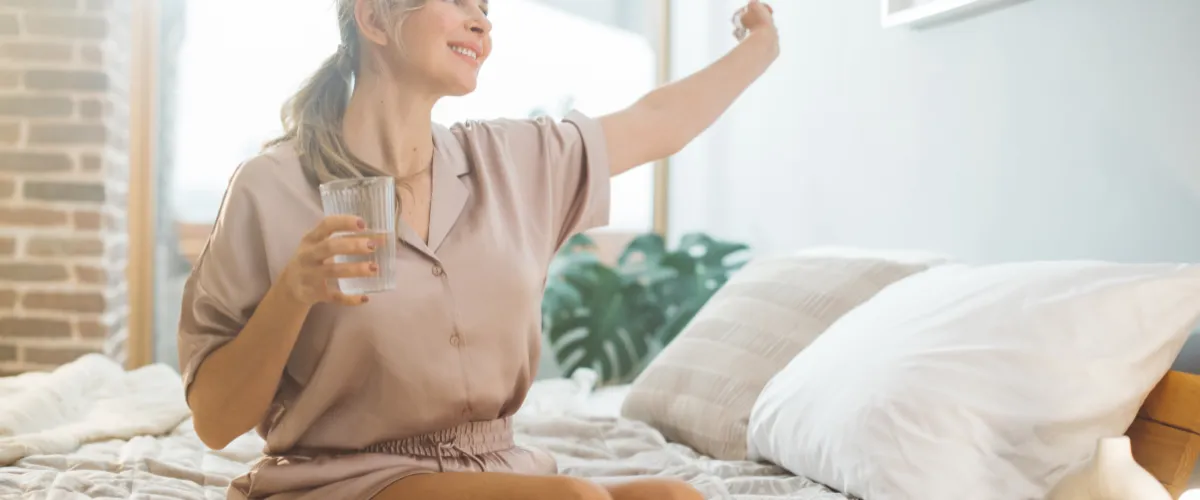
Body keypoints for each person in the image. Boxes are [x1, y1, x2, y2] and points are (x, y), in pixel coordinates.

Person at [178, 0, 778, 498]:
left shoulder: (512, 162)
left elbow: (657, 120)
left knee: (675, 497)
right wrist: (294, 293)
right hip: (344, 481)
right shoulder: (270, 187)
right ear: (375, 19)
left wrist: (760, 47)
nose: (482, 22)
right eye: (458, 2)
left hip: (496, 469)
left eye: (485, 9)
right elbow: (214, 420)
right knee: (574, 499)